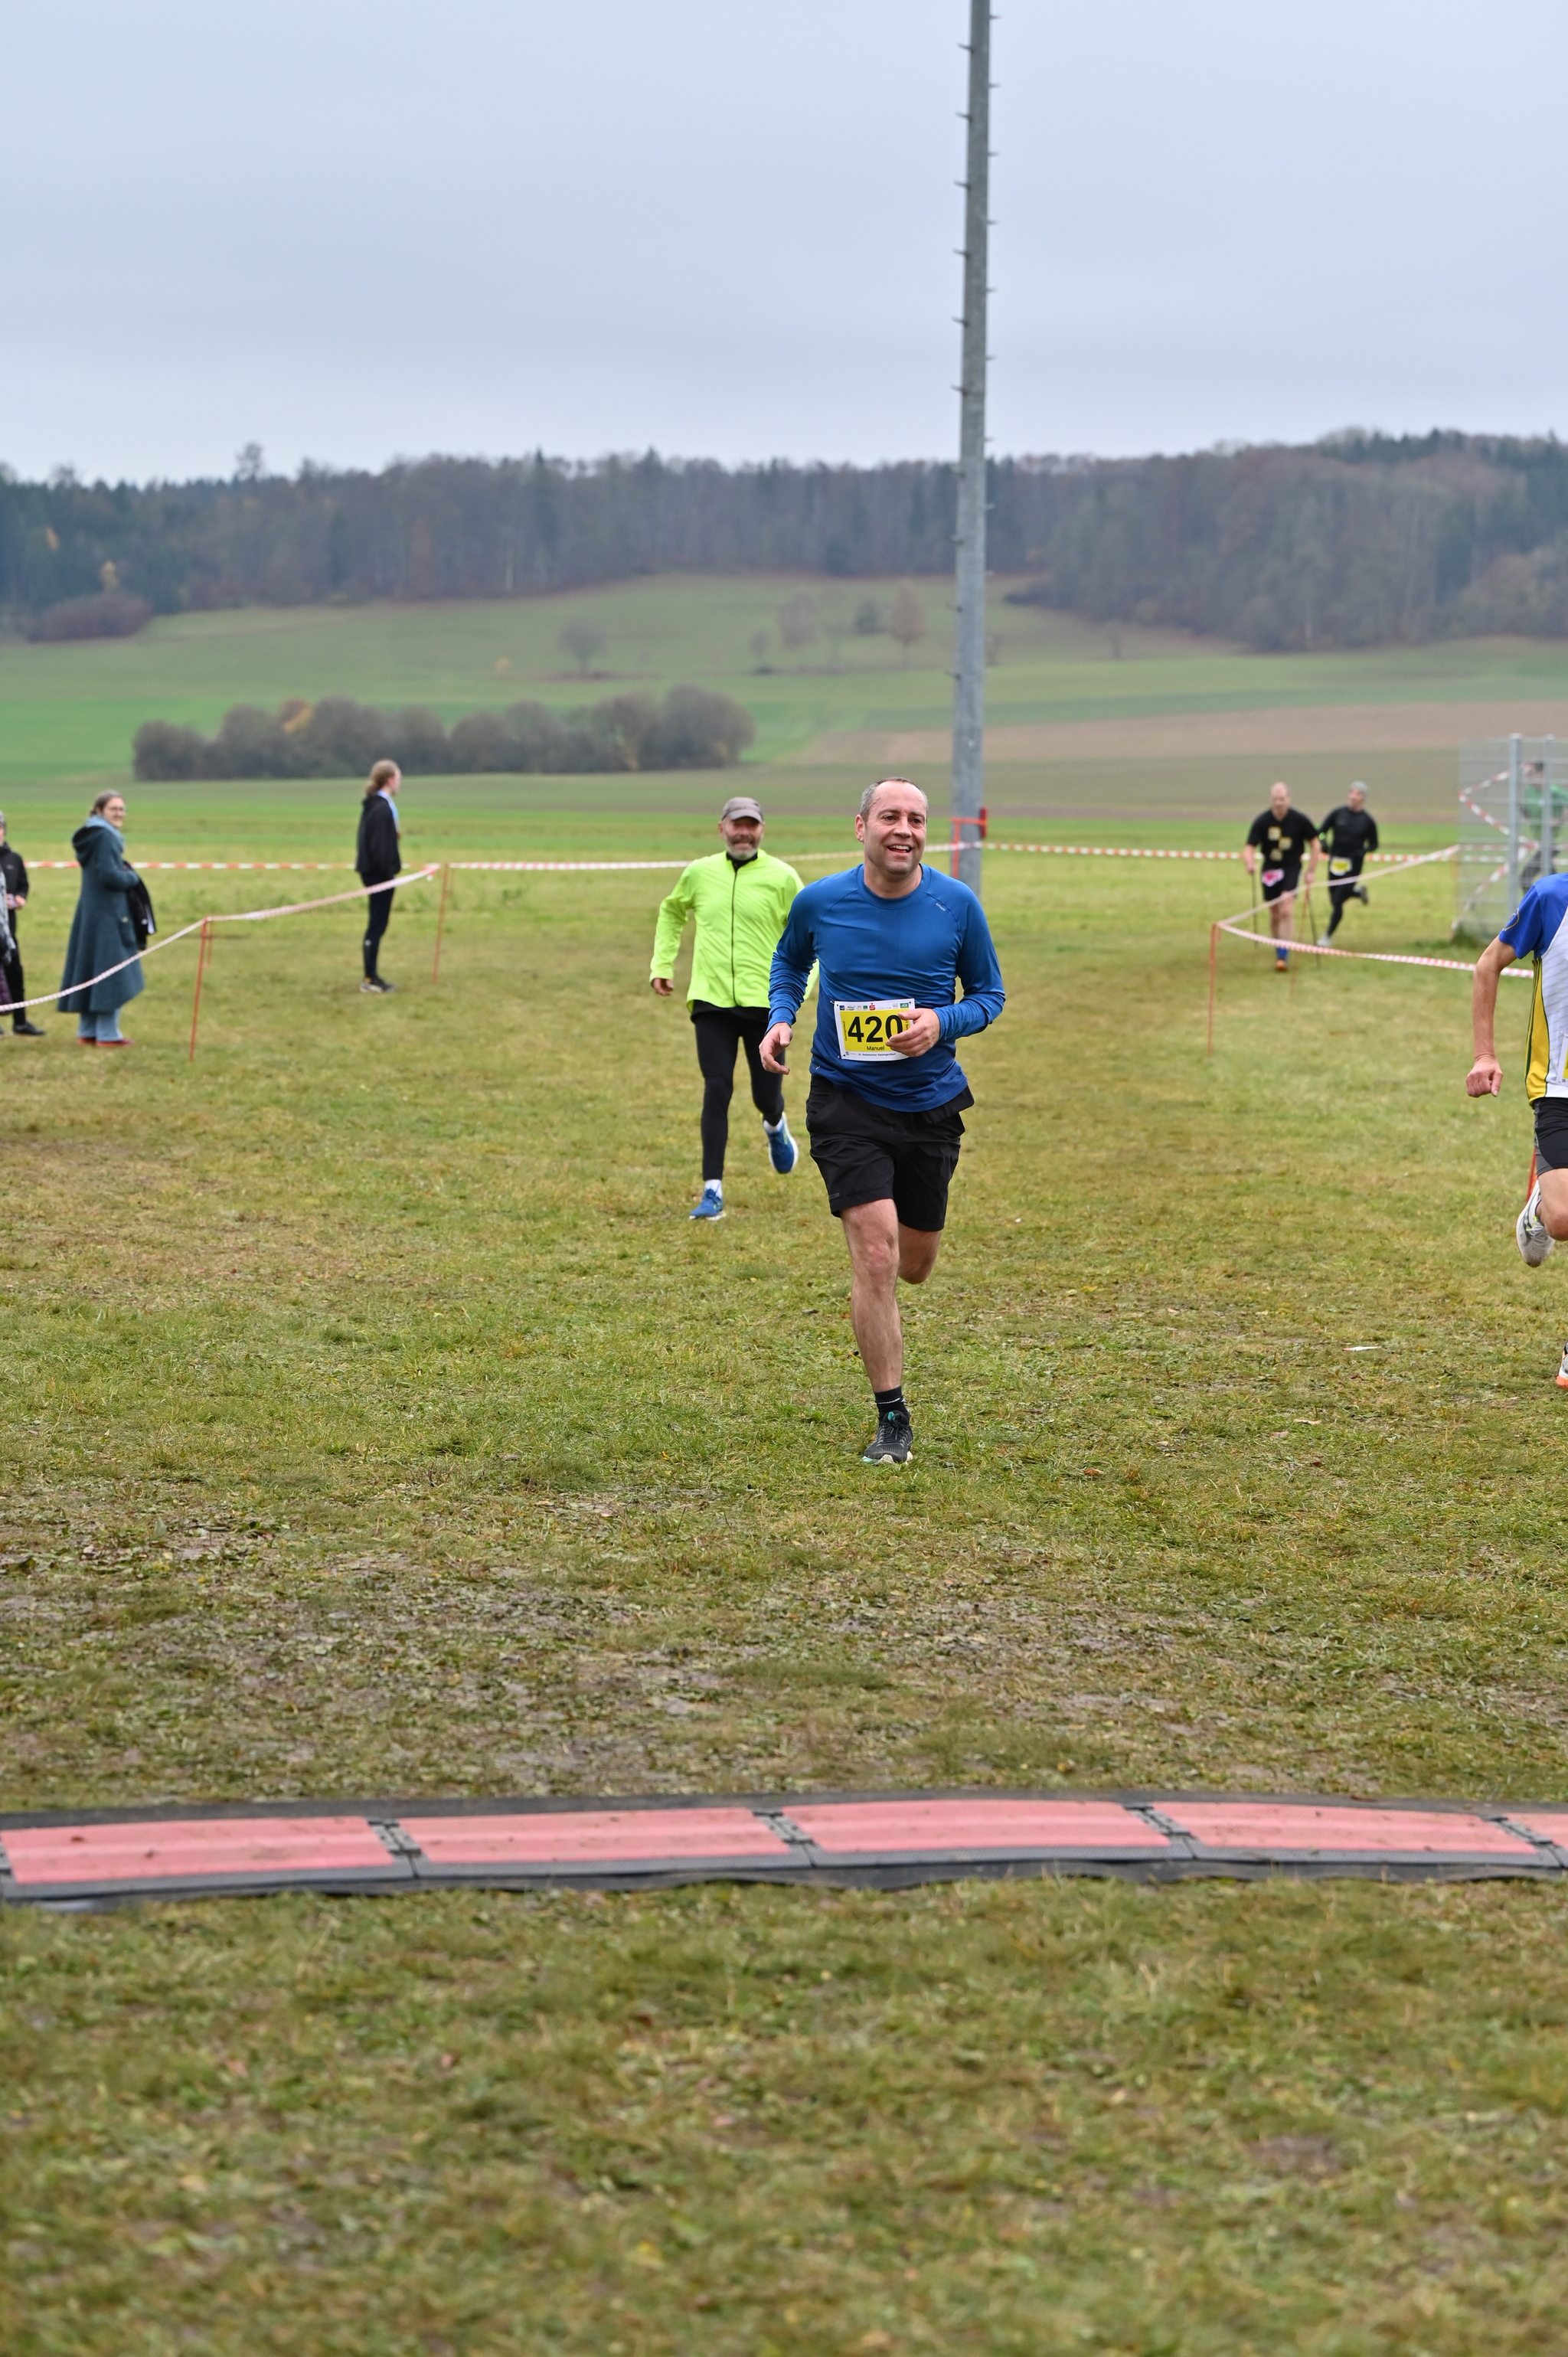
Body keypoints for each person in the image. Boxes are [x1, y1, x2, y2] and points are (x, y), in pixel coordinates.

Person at [762, 777, 1004, 1464]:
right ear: (861, 826)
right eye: (891, 816)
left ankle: (893, 1290)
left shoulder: (956, 905)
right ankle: (892, 1417)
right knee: (876, 1256)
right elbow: (790, 961)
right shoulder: (820, 901)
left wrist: (941, 1022)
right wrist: (781, 1017)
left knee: (915, 1266)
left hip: (930, 1103)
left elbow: (989, 995)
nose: (905, 830)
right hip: (846, 1101)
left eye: (917, 820)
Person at [650, 793, 804, 1218]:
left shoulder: (784, 878)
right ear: (722, 828)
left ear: (762, 830)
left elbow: (807, 938)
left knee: (765, 1096)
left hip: (766, 1005)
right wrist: (662, 963)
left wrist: (796, 994)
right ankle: (712, 1191)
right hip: (711, 1000)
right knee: (716, 1087)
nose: (744, 833)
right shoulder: (699, 873)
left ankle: (775, 1124)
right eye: (737, 824)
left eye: (752, 825)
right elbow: (672, 911)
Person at [1468, 868, 1568, 1391]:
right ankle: (1540, 1208)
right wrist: (1484, 1054)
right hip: (1557, 1088)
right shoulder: (1551, 897)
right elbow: (1487, 965)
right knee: (1564, 1220)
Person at [59, 792, 143, 1046]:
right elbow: (109, 876)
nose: (119, 813)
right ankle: (107, 1034)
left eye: (122, 809)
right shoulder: (105, 837)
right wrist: (132, 877)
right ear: (99, 810)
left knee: (90, 969)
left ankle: (87, 1031)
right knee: (111, 973)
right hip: (108, 915)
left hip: (90, 913)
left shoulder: (92, 835)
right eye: (113, 809)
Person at [1243, 782, 1318, 969]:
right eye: (1276, 799)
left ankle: (1283, 955)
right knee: (1275, 913)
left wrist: (1311, 870)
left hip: (1291, 867)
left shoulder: (1299, 819)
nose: (1279, 803)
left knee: (1286, 908)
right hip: (1270, 868)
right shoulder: (1263, 821)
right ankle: (1278, 948)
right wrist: (1250, 863)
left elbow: (1315, 843)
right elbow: (1250, 846)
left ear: (1288, 799)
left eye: (1282, 799)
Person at [355, 759, 401, 992]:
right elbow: (379, 847)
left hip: (375, 873)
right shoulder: (381, 809)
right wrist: (388, 874)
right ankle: (370, 979)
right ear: (390, 780)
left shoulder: (377, 805)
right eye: (398, 778)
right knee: (376, 925)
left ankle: (371, 976)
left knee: (378, 925)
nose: (400, 783)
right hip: (379, 876)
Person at [1315, 780, 1379, 946]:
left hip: (1353, 865)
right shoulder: (1337, 814)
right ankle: (1357, 893)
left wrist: (1363, 852)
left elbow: (1374, 844)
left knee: (1338, 901)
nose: (1353, 797)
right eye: (1351, 793)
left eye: (1358, 794)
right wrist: (1323, 843)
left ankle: (1327, 936)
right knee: (1334, 898)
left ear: (1363, 798)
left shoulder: (1367, 821)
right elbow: (1320, 832)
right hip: (1335, 862)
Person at [0, 814, 44, 1036]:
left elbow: (23, 884)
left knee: (15, 974)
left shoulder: (14, 859)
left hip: (8, 930)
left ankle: (20, 1022)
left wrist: (20, 897)